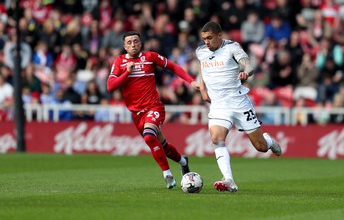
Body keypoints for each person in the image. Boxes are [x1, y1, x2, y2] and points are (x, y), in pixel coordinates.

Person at [196, 22, 282, 193]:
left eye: (209, 38)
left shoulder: (232, 48)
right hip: (219, 105)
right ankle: (229, 180)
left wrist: (246, 72)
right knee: (216, 138)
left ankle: (269, 141)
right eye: (204, 38)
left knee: (261, 147)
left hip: (238, 102)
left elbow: (247, 64)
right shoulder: (200, 51)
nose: (206, 42)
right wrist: (203, 88)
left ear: (219, 35)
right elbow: (202, 67)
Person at [106, 31, 199, 189]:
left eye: (136, 41)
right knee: (162, 145)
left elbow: (173, 67)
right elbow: (110, 86)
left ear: (141, 43)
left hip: (154, 107)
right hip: (136, 114)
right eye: (129, 42)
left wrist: (191, 81)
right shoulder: (120, 62)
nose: (133, 44)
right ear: (124, 46)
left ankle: (167, 174)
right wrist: (127, 72)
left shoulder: (150, 57)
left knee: (149, 137)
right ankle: (183, 162)